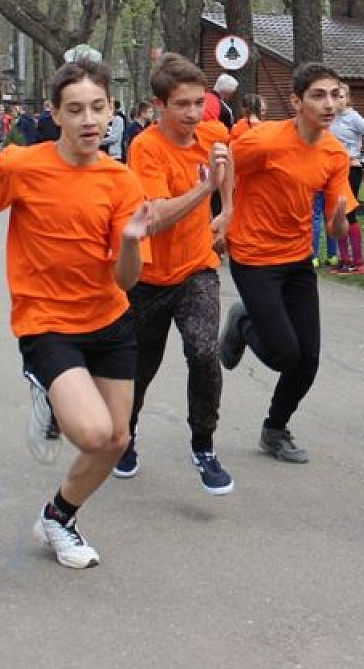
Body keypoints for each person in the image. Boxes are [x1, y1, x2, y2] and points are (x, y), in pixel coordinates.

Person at [0, 58, 151, 569]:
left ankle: (59, 516)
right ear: (55, 115)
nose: (88, 120)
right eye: (75, 110)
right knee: (92, 433)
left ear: (112, 111)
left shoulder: (121, 182)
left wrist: (133, 242)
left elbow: (126, 280)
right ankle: (47, 390)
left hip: (110, 320)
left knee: (116, 440)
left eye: (98, 108)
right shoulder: (21, 165)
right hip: (46, 321)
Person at [218, 62, 355, 465]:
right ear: (296, 102)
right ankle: (243, 322)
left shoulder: (334, 152)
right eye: (318, 95)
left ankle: (274, 429)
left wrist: (339, 220)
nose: (329, 104)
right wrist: (225, 212)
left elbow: (337, 230)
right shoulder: (264, 141)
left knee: (307, 360)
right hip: (253, 254)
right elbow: (223, 167)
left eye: (335, 94)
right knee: (282, 355)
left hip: (297, 259)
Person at [115, 52, 235, 491]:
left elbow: (227, 160)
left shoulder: (213, 132)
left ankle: (203, 444)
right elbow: (156, 217)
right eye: (182, 104)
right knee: (139, 370)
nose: (192, 113)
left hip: (196, 269)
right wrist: (205, 189)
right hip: (147, 278)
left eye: (198, 103)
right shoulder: (145, 147)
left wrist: (228, 210)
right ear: (159, 105)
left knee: (204, 352)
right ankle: (124, 438)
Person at [328, 82, 364, 274]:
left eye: (340, 96)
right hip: (332, 169)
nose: (336, 100)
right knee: (336, 213)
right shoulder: (330, 117)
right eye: (334, 96)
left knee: (349, 213)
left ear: (347, 99)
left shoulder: (353, 117)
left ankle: (358, 262)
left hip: (350, 169)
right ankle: (344, 259)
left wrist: (363, 160)